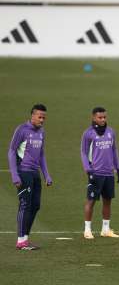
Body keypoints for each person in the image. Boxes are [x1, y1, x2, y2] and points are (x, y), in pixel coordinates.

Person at [8, 104, 53, 250]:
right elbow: (11, 151)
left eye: (44, 117)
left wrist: (46, 174)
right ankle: (21, 241)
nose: (42, 120)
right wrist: (15, 175)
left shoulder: (41, 132)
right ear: (32, 115)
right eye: (39, 117)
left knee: (35, 206)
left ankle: (25, 239)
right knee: (25, 205)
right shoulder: (22, 130)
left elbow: (41, 155)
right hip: (23, 172)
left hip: (34, 173)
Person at [81, 107, 119, 239]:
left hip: (109, 173)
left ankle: (105, 229)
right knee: (91, 201)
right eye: (100, 117)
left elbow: (114, 150)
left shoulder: (111, 132)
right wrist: (88, 170)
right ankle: (87, 230)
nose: (103, 119)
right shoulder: (88, 133)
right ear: (94, 118)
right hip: (96, 172)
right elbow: (83, 152)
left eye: (104, 117)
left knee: (107, 201)